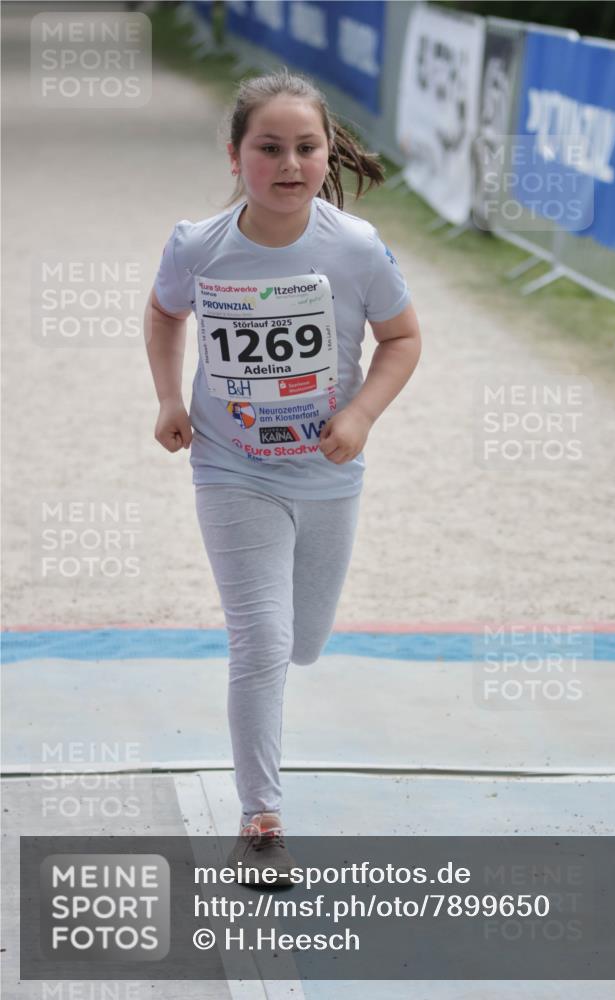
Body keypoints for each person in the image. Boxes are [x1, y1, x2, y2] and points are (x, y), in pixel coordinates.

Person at [144, 68, 421, 884]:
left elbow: (402, 340)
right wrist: (168, 397)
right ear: (236, 156)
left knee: (302, 642)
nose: (291, 163)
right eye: (271, 148)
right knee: (260, 637)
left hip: (327, 473)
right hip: (231, 467)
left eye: (307, 147)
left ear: (327, 152)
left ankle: (267, 771)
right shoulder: (199, 244)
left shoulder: (355, 247)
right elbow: (164, 313)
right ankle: (262, 819)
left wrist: (362, 413)